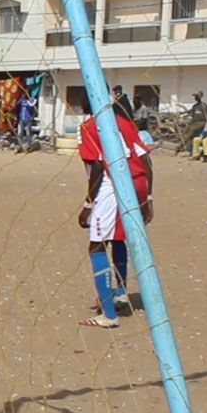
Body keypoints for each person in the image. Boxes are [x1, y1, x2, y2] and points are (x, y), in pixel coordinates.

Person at [76, 103, 154, 328]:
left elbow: (98, 169)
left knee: (97, 244)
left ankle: (108, 314)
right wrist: (148, 198)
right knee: (119, 236)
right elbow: (147, 161)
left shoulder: (89, 127)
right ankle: (120, 292)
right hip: (138, 180)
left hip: (113, 183)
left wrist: (88, 205)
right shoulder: (125, 121)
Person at [179, 90, 207, 155]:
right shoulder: (195, 106)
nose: (195, 98)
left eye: (197, 96)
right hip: (194, 122)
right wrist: (182, 113)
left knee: (192, 129)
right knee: (186, 129)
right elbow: (190, 112)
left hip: (202, 122)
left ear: (200, 96)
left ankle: (182, 143)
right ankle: (187, 147)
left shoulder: (204, 106)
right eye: (195, 96)